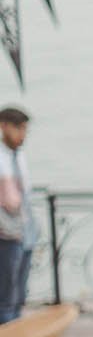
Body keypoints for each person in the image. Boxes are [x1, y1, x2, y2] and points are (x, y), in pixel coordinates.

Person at [0, 106, 36, 325]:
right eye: (18, 128)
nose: (22, 135)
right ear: (3, 126)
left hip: (23, 231)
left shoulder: (18, 156)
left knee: (18, 292)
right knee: (6, 292)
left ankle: (15, 331)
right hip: (6, 234)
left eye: (24, 129)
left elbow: (24, 195)